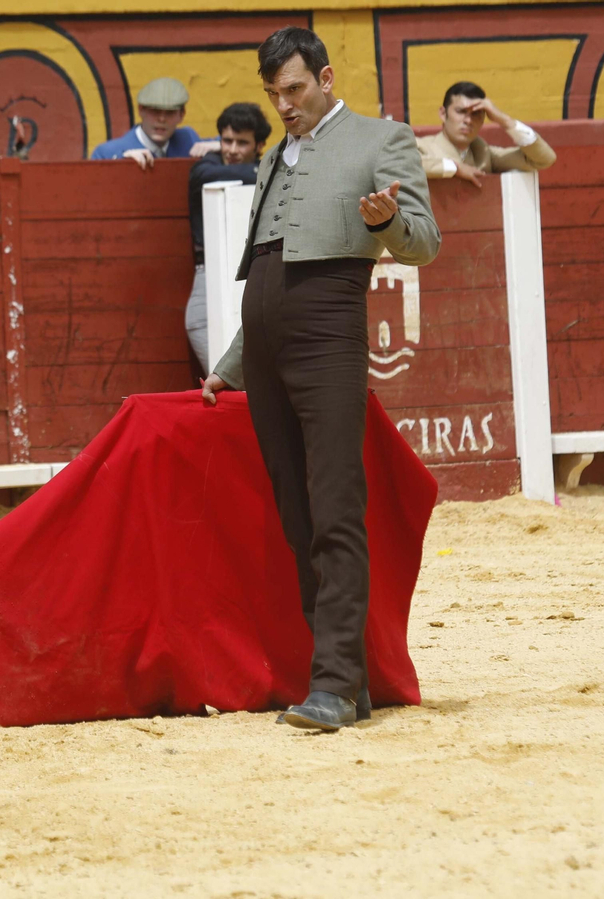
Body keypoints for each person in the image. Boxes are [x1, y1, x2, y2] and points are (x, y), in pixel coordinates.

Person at [199, 26, 441, 731]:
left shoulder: (381, 140)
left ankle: (333, 684)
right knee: (297, 515)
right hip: (265, 350)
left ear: (326, 78)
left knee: (334, 506)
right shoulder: (272, 157)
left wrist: (388, 221)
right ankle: (345, 677)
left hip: (329, 335)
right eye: (273, 93)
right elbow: (269, 269)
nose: (284, 105)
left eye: (295, 89)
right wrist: (231, 366)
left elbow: (425, 242)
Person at [184, 102, 273, 363]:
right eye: (226, 141)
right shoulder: (207, 167)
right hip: (209, 267)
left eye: (242, 143)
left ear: (259, 145)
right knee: (198, 321)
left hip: (258, 268)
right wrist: (261, 170)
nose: (232, 150)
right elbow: (204, 174)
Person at [415, 81, 556, 186]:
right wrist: (455, 168)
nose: (468, 120)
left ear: (484, 118)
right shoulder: (421, 146)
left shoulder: (484, 154)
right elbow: (407, 165)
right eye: (461, 112)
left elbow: (544, 159)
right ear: (443, 113)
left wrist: (505, 121)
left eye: (476, 114)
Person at [89, 77, 202, 170]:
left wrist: (213, 148)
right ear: (141, 110)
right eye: (155, 111)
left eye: (170, 113)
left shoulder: (188, 139)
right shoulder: (106, 154)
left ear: (182, 115)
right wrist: (120, 165)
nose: (162, 119)